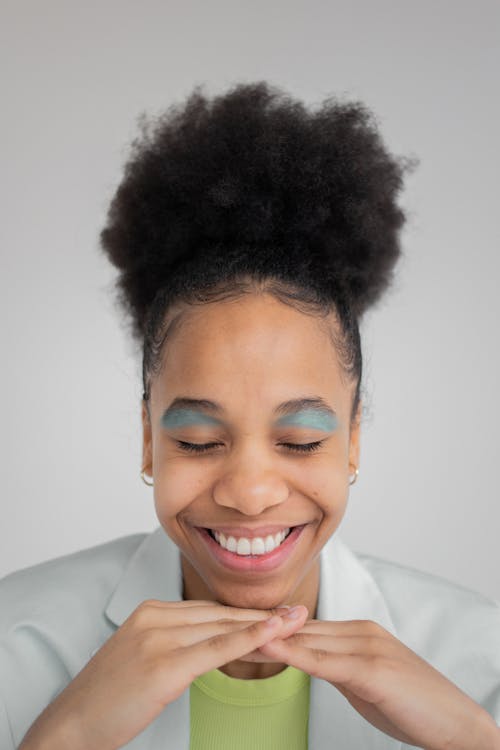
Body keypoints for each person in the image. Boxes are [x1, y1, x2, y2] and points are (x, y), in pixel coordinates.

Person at [1, 81, 499, 750]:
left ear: (352, 442)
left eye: (298, 441)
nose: (251, 493)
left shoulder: (477, 663)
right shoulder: (16, 646)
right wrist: (65, 737)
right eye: (200, 441)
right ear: (149, 442)